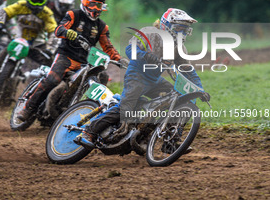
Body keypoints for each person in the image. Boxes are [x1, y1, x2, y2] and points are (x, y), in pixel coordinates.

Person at [74, 8, 210, 150]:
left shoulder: (179, 48)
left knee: (178, 99)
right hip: (137, 75)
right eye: (179, 29)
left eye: (185, 30)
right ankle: (88, 132)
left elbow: (189, 72)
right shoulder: (149, 33)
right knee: (126, 108)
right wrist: (145, 55)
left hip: (155, 81)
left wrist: (199, 90)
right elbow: (129, 49)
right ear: (166, 25)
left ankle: (170, 142)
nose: (181, 33)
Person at [18, 0, 126, 121]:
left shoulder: (102, 26)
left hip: (85, 63)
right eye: (92, 4)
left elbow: (108, 47)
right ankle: (28, 108)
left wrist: (119, 59)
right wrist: (67, 32)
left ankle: (84, 112)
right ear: (85, 3)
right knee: (52, 80)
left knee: (102, 77)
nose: (95, 8)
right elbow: (58, 30)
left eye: (99, 5)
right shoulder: (73, 15)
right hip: (65, 57)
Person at [0, 0, 58, 100]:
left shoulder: (47, 13)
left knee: (52, 69)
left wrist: (50, 50)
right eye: (34, 1)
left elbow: (54, 32)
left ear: (45, 1)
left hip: (37, 46)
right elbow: (3, 12)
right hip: (18, 41)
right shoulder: (20, 5)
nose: (37, 5)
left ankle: (46, 99)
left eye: (40, 2)